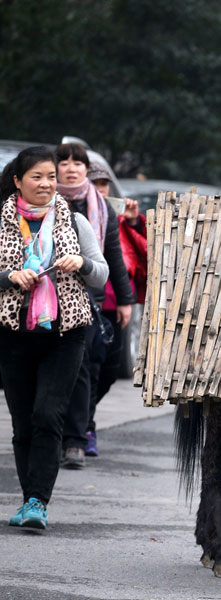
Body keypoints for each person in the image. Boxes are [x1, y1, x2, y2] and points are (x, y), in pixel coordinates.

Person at [0, 146, 108, 529]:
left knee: (48, 414)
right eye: (37, 177)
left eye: (51, 177)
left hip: (67, 333)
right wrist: (9, 276)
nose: (46, 184)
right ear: (18, 181)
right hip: (13, 334)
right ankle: (29, 498)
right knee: (23, 422)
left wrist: (82, 263)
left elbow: (102, 273)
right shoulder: (1, 222)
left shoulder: (75, 222)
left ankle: (36, 502)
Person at [55, 143, 134, 467]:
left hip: (89, 299)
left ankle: (77, 438)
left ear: (87, 169)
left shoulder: (100, 207)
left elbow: (113, 256)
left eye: (78, 162)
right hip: (42, 298)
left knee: (86, 368)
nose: (71, 168)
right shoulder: (41, 204)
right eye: (64, 162)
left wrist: (126, 300)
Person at [86, 163, 147, 455]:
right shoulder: (74, 218)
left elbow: (149, 258)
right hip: (87, 305)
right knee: (89, 369)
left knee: (110, 370)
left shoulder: (120, 223)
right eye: (93, 184)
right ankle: (84, 428)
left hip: (117, 307)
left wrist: (134, 224)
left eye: (104, 185)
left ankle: (78, 418)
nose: (100, 191)